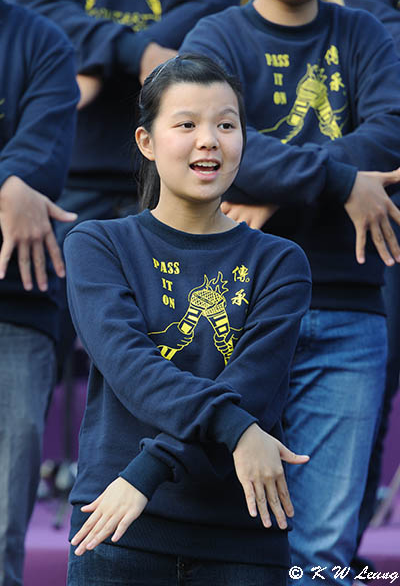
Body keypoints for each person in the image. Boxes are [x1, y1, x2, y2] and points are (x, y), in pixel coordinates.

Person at [63, 53, 312, 586]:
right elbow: (134, 369)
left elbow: (254, 386)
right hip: (117, 531)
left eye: (226, 124)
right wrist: (238, 430)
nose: (209, 140)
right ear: (146, 143)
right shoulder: (98, 244)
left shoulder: (281, 260)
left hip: (241, 540)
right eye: (186, 124)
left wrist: (147, 472)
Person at [179, 0, 400, 584]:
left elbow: (391, 139)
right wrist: (340, 180)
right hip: (235, 311)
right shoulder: (214, 38)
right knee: (213, 531)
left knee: (322, 551)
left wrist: (273, 186)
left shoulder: (366, 36)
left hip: (349, 310)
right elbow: (208, 147)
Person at [4, 0, 245, 370]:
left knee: (184, 355)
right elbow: (34, 4)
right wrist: (138, 55)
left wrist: (99, 57)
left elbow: (207, 6)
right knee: (33, 368)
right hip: (58, 180)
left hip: (177, 178)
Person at [0, 0, 79, 586]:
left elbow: (42, 166)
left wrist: (22, 185)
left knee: (4, 517)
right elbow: (20, 183)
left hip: (18, 301)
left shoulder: (44, 42)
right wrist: (8, 186)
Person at [340, 0, 400, 578]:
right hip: (382, 212)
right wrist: (334, 176)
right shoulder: (362, 18)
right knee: (372, 391)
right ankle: (338, 553)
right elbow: (380, 33)